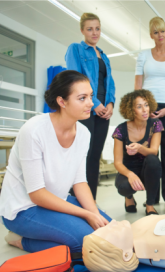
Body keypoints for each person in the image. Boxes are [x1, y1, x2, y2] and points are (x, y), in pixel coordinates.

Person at [0, 70, 111, 254]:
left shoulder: (83, 134)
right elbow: (36, 195)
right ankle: (20, 240)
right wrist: (85, 214)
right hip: (23, 208)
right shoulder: (34, 130)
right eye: (82, 98)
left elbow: (80, 181)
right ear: (62, 101)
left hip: (57, 200)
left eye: (90, 96)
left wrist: (95, 214)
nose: (91, 103)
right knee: (85, 245)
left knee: (108, 234)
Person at [135, 16, 165, 207]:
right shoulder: (143, 55)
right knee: (150, 153)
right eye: (156, 32)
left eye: (162, 31)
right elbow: (138, 83)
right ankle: (152, 196)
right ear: (151, 35)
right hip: (148, 107)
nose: (160, 35)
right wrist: (140, 107)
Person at [65, 13, 116, 201]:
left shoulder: (104, 55)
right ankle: (74, 202)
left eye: (97, 28)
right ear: (82, 30)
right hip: (86, 108)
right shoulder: (76, 49)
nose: (94, 33)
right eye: (89, 29)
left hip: (103, 111)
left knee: (95, 157)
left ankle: (90, 202)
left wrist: (110, 104)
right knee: (82, 157)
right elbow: (75, 79)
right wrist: (94, 104)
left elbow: (109, 82)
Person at [112, 90, 163, 216]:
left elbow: (154, 151)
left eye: (146, 105)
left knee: (153, 160)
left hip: (147, 169)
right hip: (128, 169)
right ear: (131, 110)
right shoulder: (121, 129)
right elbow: (117, 163)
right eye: (139, 107)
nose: (145, 110)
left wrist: (140, 148)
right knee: (124, 187)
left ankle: (150, 205)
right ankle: (129, 197)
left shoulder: (155, 124)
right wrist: (130, 175)